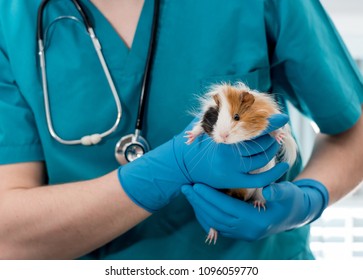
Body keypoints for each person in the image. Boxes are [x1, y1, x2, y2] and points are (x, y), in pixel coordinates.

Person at [0, 0, 362, 260]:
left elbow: (354, 124)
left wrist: (309, 198)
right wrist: (160, 174)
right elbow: (8, 234)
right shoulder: (10, 17)